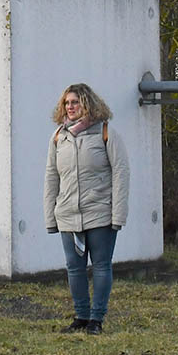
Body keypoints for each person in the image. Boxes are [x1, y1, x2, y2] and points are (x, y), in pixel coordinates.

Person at [44, 83, 129, 336]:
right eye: (67, 103)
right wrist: (51, 216)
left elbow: (121, 173)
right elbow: (51, 177)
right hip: (68, 215)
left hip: (100, 213)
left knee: (101, 266)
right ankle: (81, 316)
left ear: (87, 104)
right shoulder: (59, 137)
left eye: (75, 102)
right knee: (74, 267)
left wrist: (118, 215)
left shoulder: (106, 133)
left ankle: (96, 319)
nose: (70, 107)